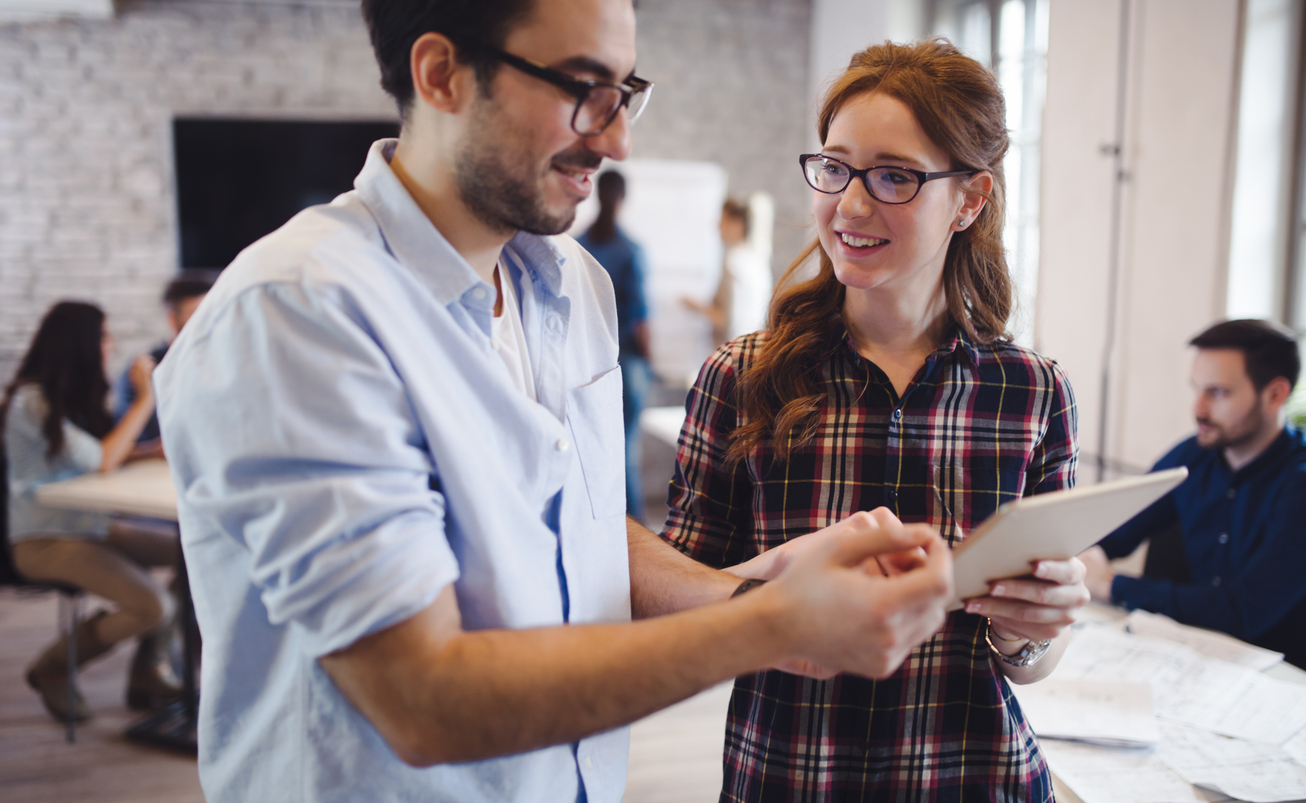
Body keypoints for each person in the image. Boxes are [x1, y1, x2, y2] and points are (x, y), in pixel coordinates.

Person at [152, 2, 955, 801]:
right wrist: (772, 626)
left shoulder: (574, 283)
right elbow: (419, 699)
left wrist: (752, 589)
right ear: (441, 75)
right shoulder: (299, 310)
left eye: (624, 91)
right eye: (582, 88)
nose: (616, 139)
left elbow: (579, 523)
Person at [660, 39, 1092, 800]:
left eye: (895, 176)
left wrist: (1034, 628)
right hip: (791, 778)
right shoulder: (742, 377)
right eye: (835, 166)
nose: (850, 205)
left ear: (970, 199)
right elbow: (673, 603)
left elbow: (1025, 658)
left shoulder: (1031, 393)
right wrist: (774, 596)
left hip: (975, 778)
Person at [1082, 319, 1306, 667]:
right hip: (1194, 655)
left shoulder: (1299, 482)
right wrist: (1087, 554)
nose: (1198, 409)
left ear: (1275, 395)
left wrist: (1111, 584)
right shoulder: (1194, 456)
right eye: (1197, 389)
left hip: (1280, 676)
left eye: (1218, 392)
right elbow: (1111, 531)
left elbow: (1243, 612)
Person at [3, 301, 182, 722]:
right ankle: (53, 666)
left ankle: (150, 669)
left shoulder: (68, 396)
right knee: (154, 606)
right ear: (80, 341)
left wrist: (144, 454)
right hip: (45, 539)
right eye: (104, 335)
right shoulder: (31, 402)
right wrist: (145, 400)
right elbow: (101, 460)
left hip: (90, 524)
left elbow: (98, 457)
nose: (111, 343)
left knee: (193, 551)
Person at [576, 170, 651, 520]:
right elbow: (639, 319)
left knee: (587, 452)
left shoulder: (578, 246)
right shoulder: (631, 250)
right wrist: (653, 361)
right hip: (627, 364)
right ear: (622, 199)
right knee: (625, 452)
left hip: (581, 364)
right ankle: (630, 538)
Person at [116, 271, 215, 451]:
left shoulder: (222, 363)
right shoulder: (145, 370)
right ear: (172, 318)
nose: (207, 322)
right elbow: (136, 440)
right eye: (196, 314)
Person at [683, 198, 772, 346]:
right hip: (750, 347)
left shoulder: (734, 262)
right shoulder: (758, 262)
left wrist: (694, 306)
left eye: (723, 220)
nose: (718, 226)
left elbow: (727, 320)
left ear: (737, 224)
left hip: (731, 352)